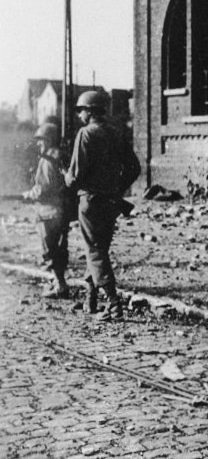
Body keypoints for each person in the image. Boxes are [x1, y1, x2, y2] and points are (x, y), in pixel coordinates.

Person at [65, 90, 141, 322]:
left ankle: (114, 303)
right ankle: (91, 299)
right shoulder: (116, 133)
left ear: (90, 111)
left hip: (90, 201)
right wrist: (117, 188)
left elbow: (76, 176)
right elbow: (134, 168)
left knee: (95, 251)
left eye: (81, 110)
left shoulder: (85, 134)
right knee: (99, 250)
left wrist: (65, 177)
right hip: (111, 202)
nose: (79, 115)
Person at [22, 122, 70, 299]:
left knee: (49, 250)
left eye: (41, 140)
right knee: (60, 248)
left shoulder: (48, 158)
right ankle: (60, 282)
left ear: (49, 139)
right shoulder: (60, 155)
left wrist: (30, 194)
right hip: (61, 210)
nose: (38, 144)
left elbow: (46, 187)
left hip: (48, 211)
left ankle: (59, 285)